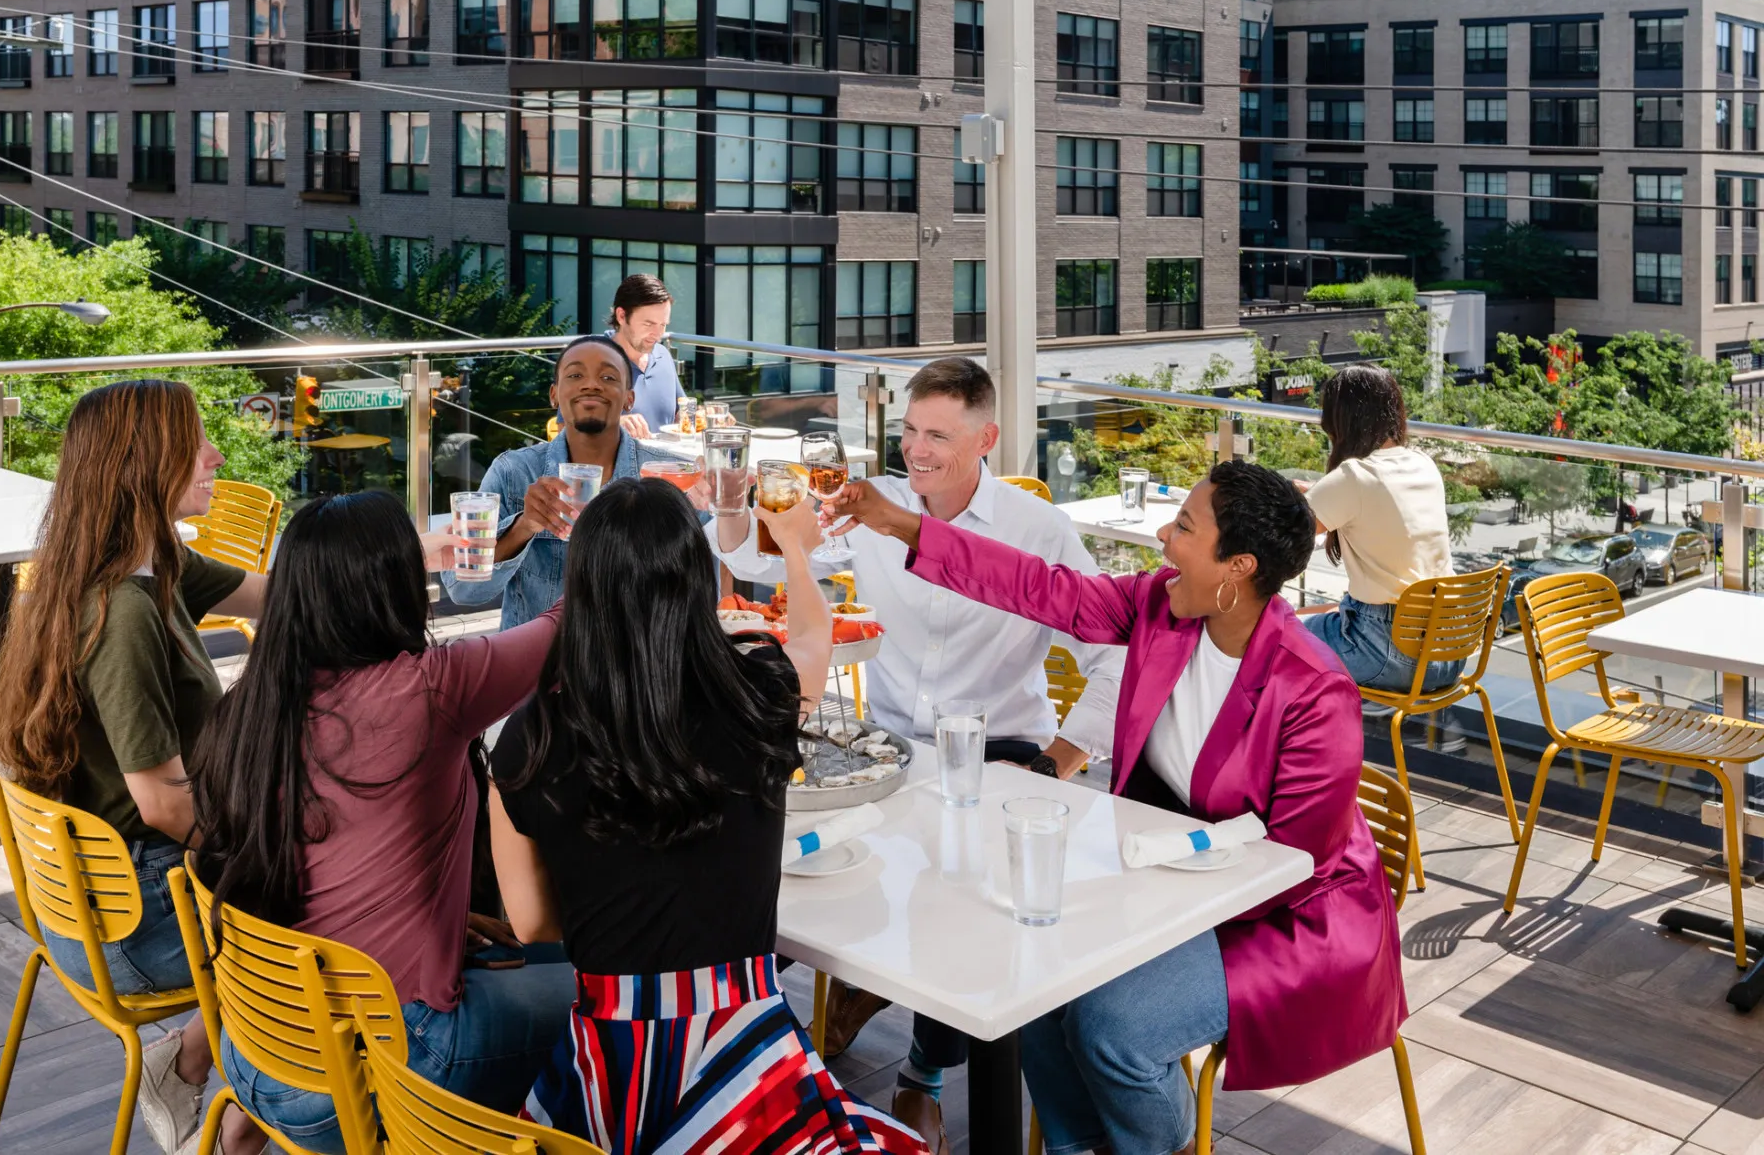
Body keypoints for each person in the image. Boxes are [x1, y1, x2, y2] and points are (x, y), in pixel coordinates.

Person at [824, 461, 1406, 1155]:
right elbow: (1039, 587)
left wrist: (1142, 913)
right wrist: (899, 523)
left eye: (1185, 527)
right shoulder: (1162, 605)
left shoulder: (1313, 690)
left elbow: (1295, 863)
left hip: (1288, 915)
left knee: (1112, 1025)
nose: (1164, 535)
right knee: (1034, 985)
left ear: (1238, 568)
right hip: (1168, 877)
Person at [709, 357, 1122, 1152]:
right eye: (908, 430)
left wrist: (1057, 761)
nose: (917, 450)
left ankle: (920, 1073)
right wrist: (733, 501)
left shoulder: (1039, 532)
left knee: (959, 900)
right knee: (789, 871)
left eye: (937, 434)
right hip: (891, 753)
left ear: (986, 439)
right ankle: (816, 1037)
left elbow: (1112, 655)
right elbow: (760, 564)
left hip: (1001, 751)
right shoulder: (874, 508)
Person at [488, 478, 926, 1155]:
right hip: (750, 1050)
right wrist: (797, 553)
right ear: (696, 586)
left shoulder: (527, 739)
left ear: (580, 590)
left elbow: (531, 922)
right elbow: (815, 639)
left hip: (608, 1062)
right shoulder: (756, 697)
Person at [187, 491, 576, 1155]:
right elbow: (565, 626)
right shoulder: (430, 689)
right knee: (611, 992)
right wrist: (597, 541)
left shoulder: (251, 706)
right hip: (379, 1068)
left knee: (514, 952)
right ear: (393, 587)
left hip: (257, 1049)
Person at [0, 380, 266, 1155]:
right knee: (346, 920)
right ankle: (233, 1119)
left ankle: (208, 1076)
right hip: (137, 921)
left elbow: (282, 599)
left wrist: (445, 547)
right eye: (197, 442)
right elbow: (168, 807)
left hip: (85, 903)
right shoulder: (125, 610)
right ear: (148, 463)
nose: (215, 455)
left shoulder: (146, 562)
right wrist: (271, 855)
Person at [444, 334, 692, 628]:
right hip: (542, 665)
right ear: (554, 395)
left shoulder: (666, 474)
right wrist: (524, 527)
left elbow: (704, 577)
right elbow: (463, 589)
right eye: (575, 375)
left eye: (608, 377)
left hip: (635, 662)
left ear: (629, 399)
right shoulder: (514, 472)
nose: (591, 384)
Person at [1297, 365, 1461, 693]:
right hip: (1449, 653)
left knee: (1277, 634)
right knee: (1317, 617)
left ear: (1340, 420)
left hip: (1386, 652)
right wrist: (1316, 490)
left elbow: (1288, 531)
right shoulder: (1423, 463)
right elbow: (1374, 506)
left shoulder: (1354, 477)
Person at [607, 273, 686, 438]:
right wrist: (613, 424)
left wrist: (704, 417)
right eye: (648, 324)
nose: (657, 335)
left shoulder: (663, 355)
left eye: (663, 325)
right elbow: (567, 431)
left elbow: (682, 413)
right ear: (621, 316)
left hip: (667, 461)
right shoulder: (591, 358)